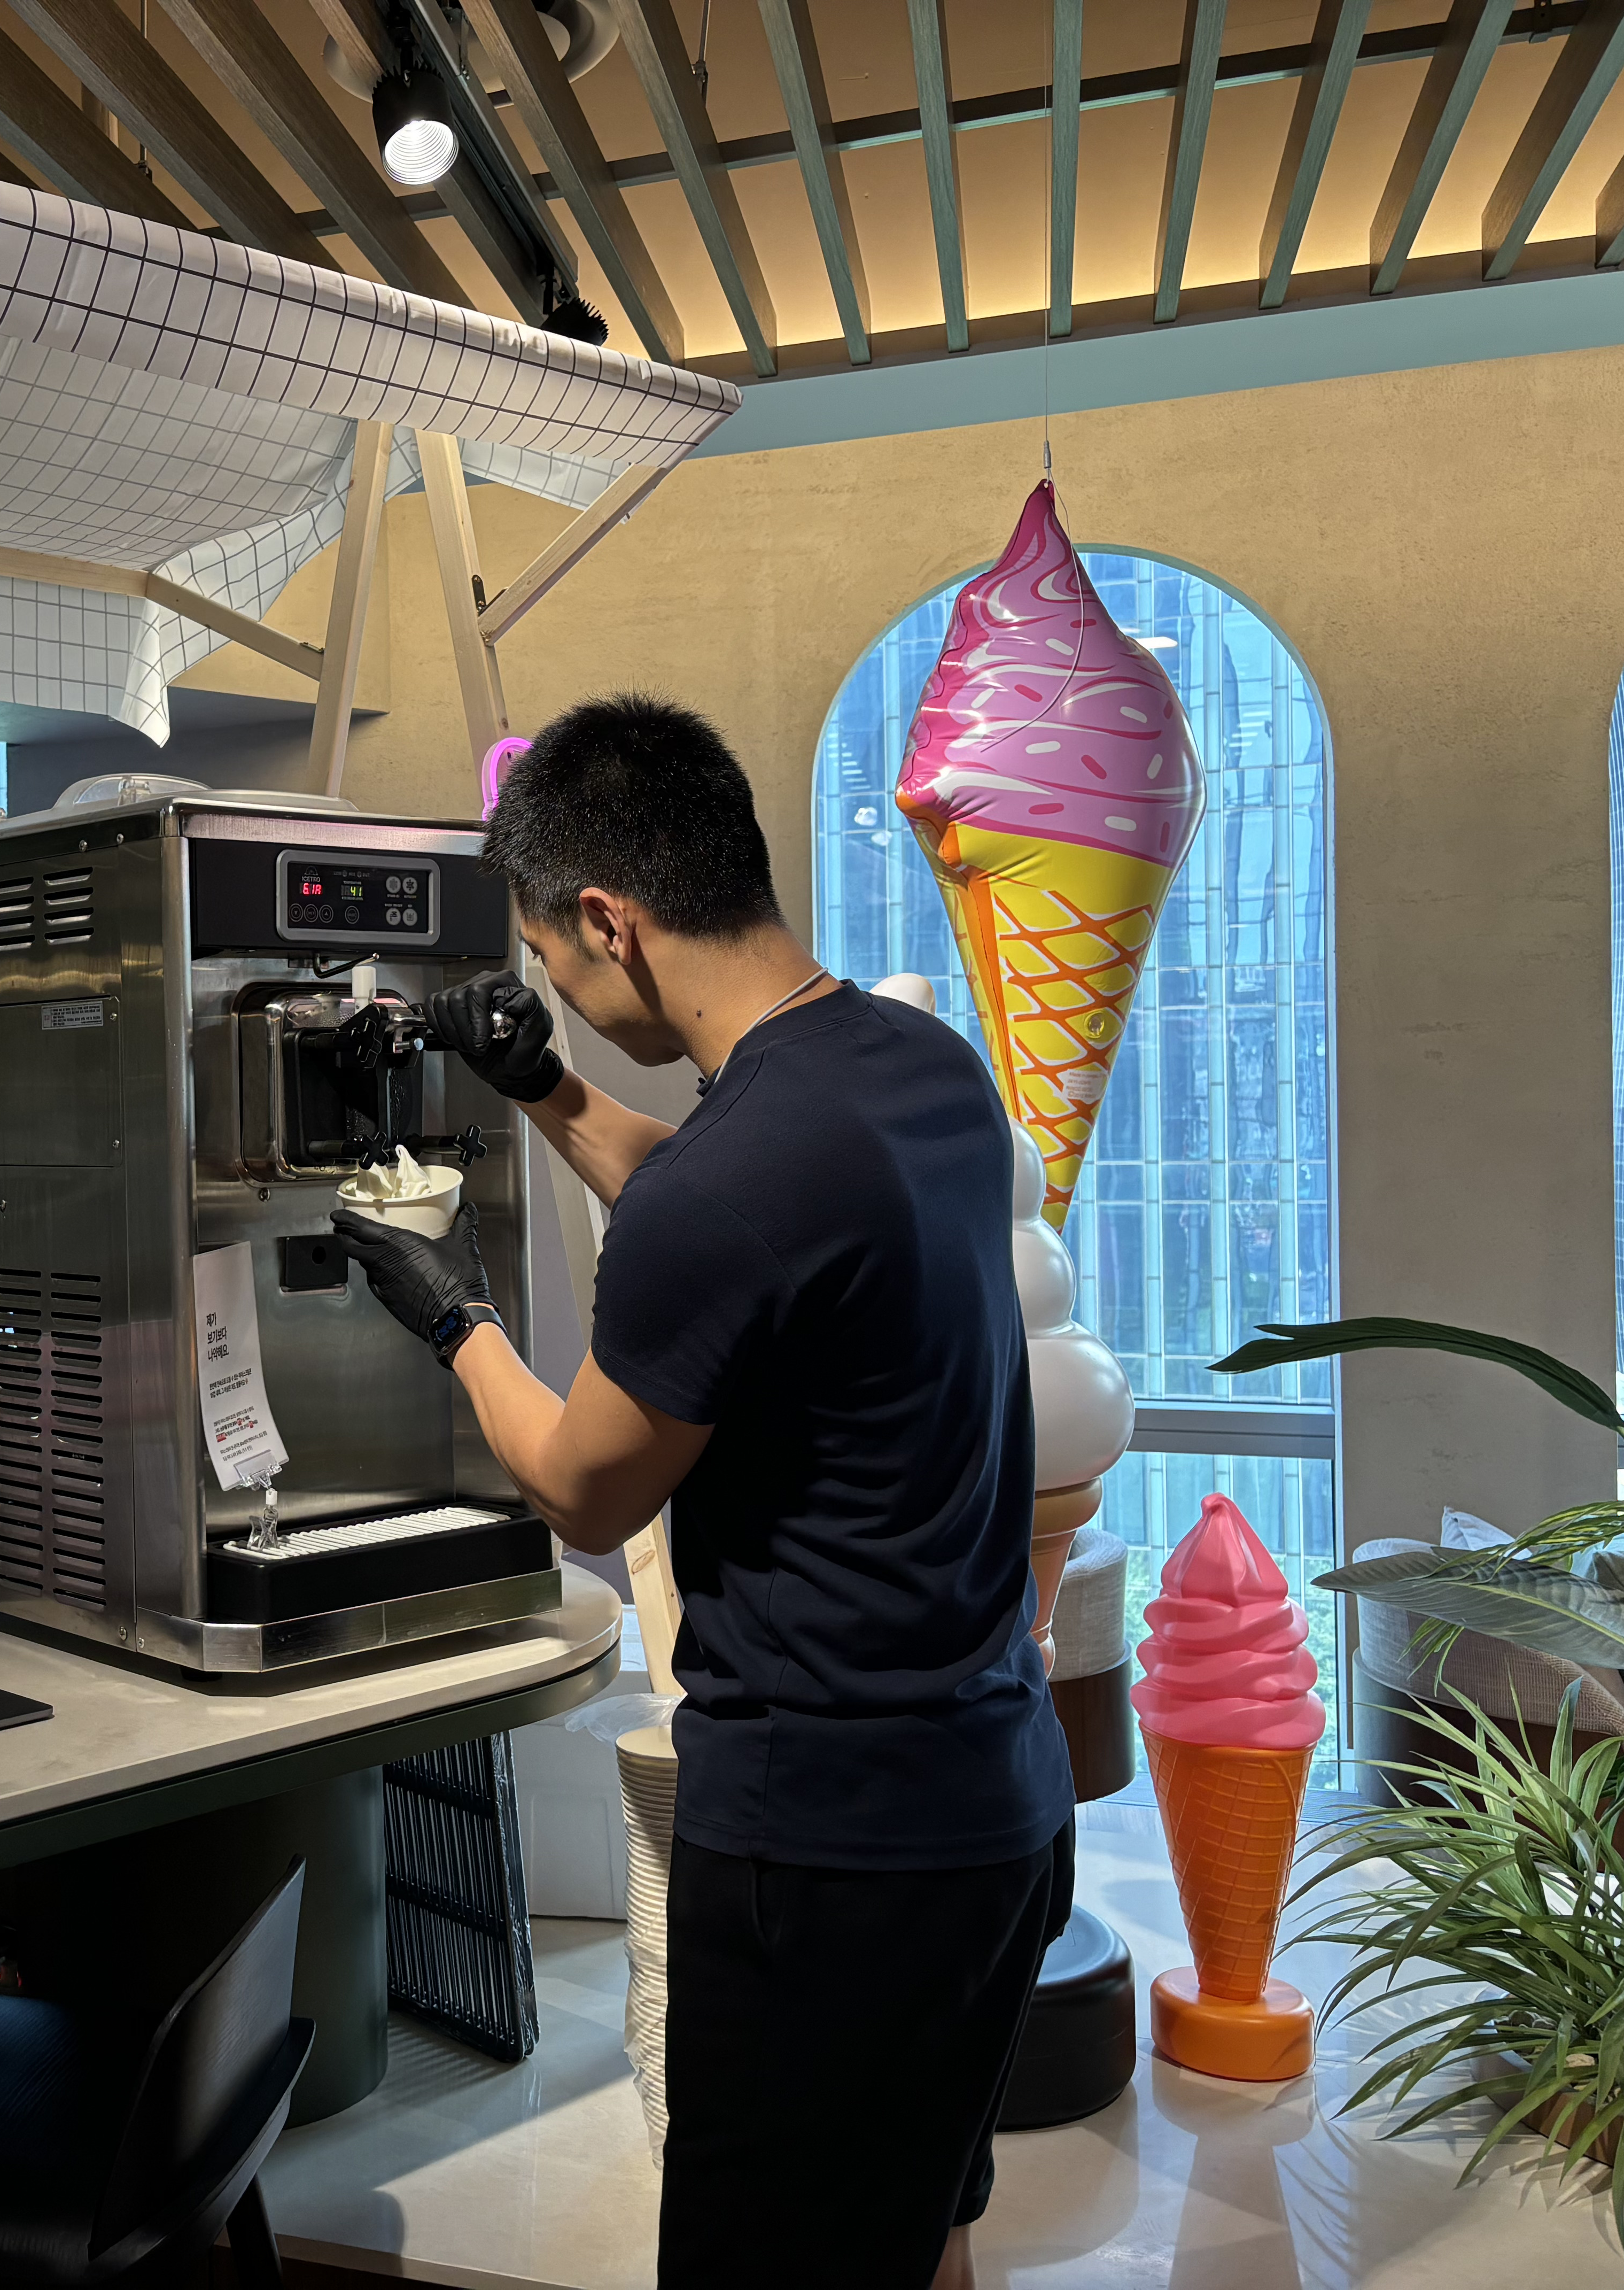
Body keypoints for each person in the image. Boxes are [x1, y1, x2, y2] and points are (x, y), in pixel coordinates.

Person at [329, 697, 1071, 2290]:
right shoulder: (922, 1068)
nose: (565, 994)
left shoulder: (730, 1187)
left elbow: (584, 1489)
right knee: (918, 2233)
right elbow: (747, 1222)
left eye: (557, 963)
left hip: (828, 1855)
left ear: (613, 920)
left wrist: (453, 1315)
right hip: (997, 1807)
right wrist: (543, 1087)